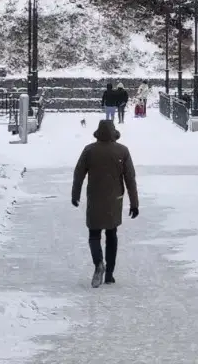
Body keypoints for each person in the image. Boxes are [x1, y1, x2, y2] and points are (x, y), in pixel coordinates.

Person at [71, 119, 140, 288]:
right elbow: (130, 178)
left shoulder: (89, 150)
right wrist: (134, 203)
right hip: (114, 199)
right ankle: (109, 273)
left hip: (95, 197)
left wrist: (75, 194)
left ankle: (98, 263)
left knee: (94, 234)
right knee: (111, 234)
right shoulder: (122, 151)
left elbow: (79, 173)